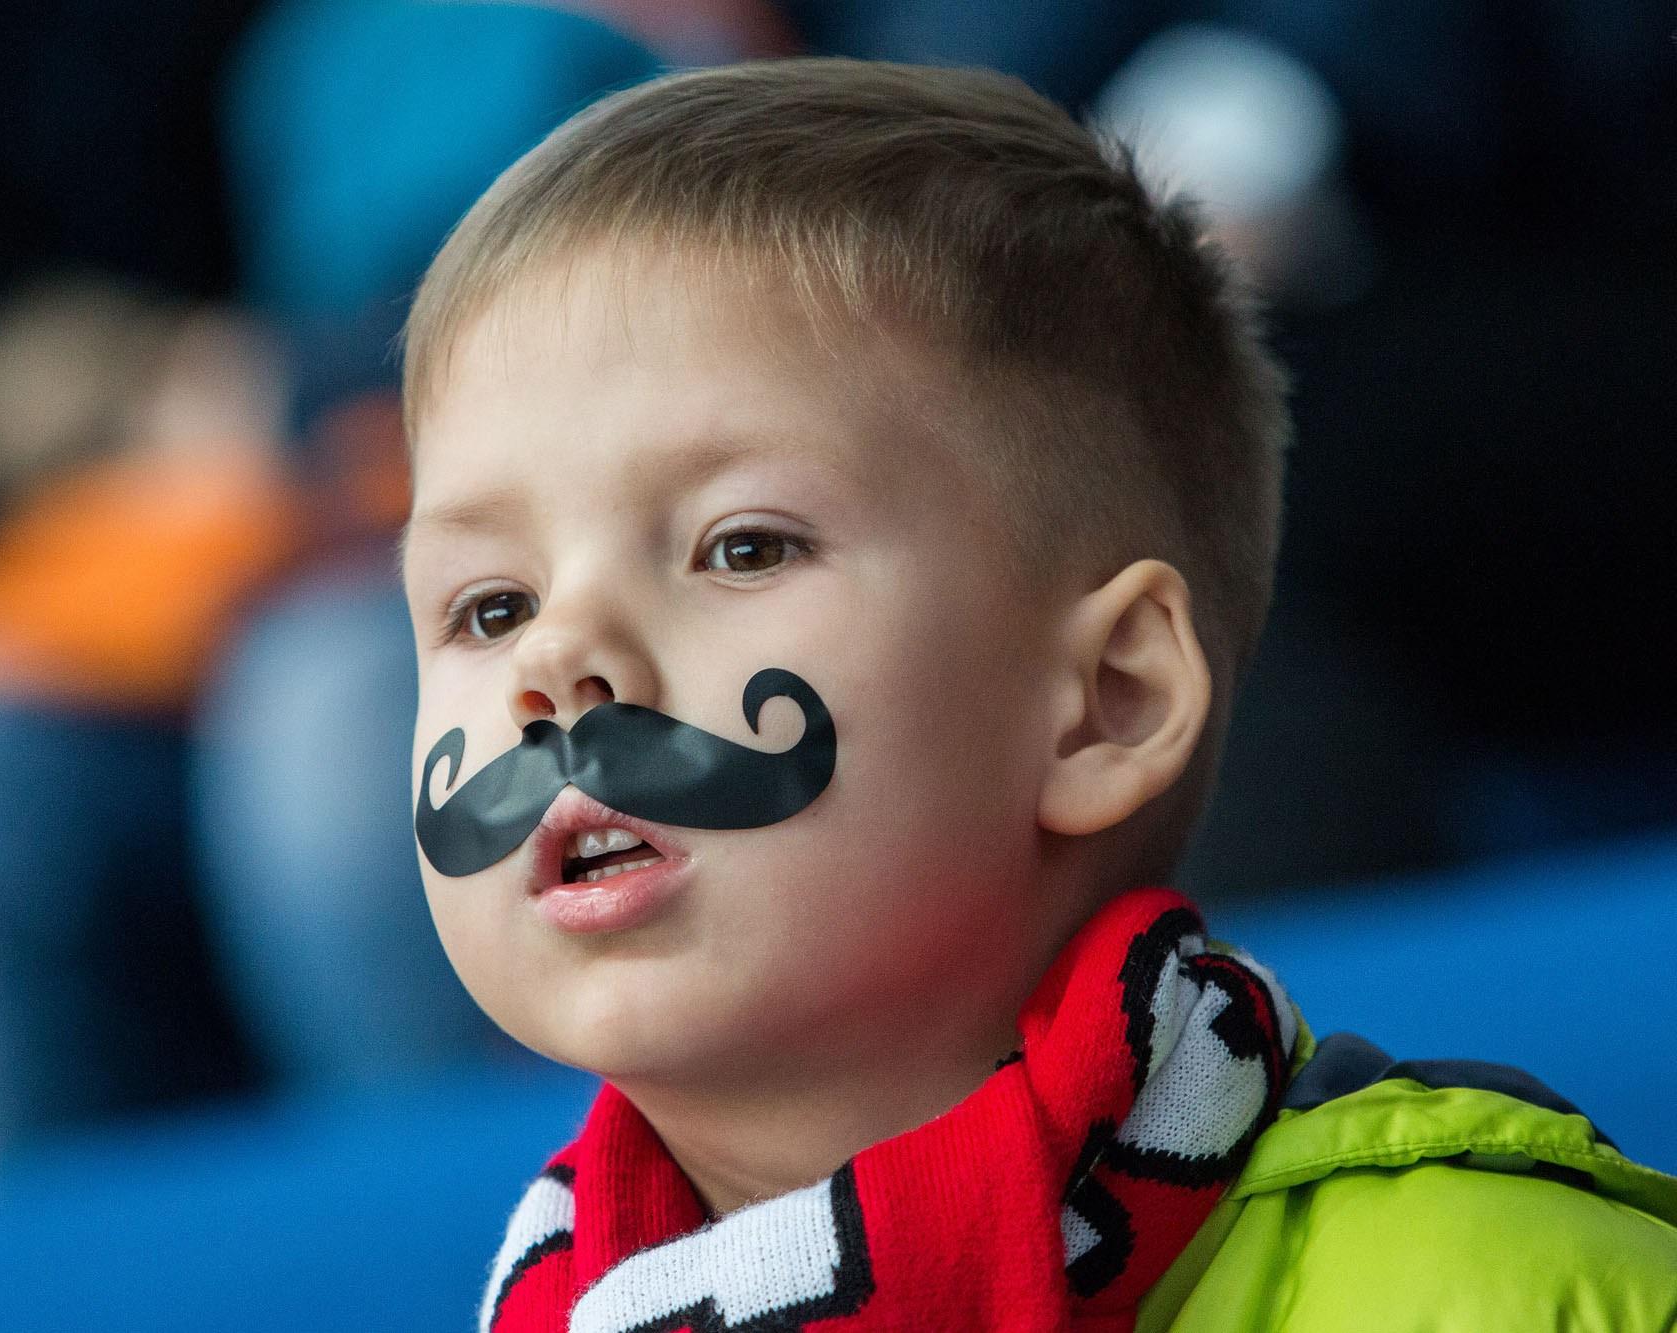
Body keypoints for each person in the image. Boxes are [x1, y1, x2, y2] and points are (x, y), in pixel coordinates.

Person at [393, 59, 1677, 1329]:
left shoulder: (1516, 1293)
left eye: (743, 546)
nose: (553, 657)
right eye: (487, 605)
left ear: (1104, 703)